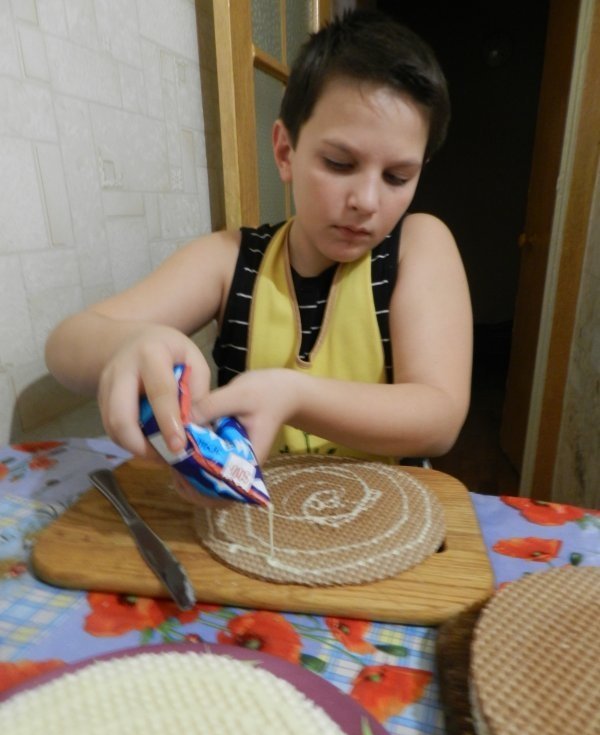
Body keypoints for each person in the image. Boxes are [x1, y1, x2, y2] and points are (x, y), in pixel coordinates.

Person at [45, 9, 472, 501]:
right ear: (285, 152)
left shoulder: (417, 245)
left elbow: (439, 417)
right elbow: (65, 344)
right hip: (257, 526)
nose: (367, 201)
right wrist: (134, 343)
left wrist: (293, 395)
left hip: (387, 518)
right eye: (339, 163)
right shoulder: (231, 260)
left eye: (397, 177)